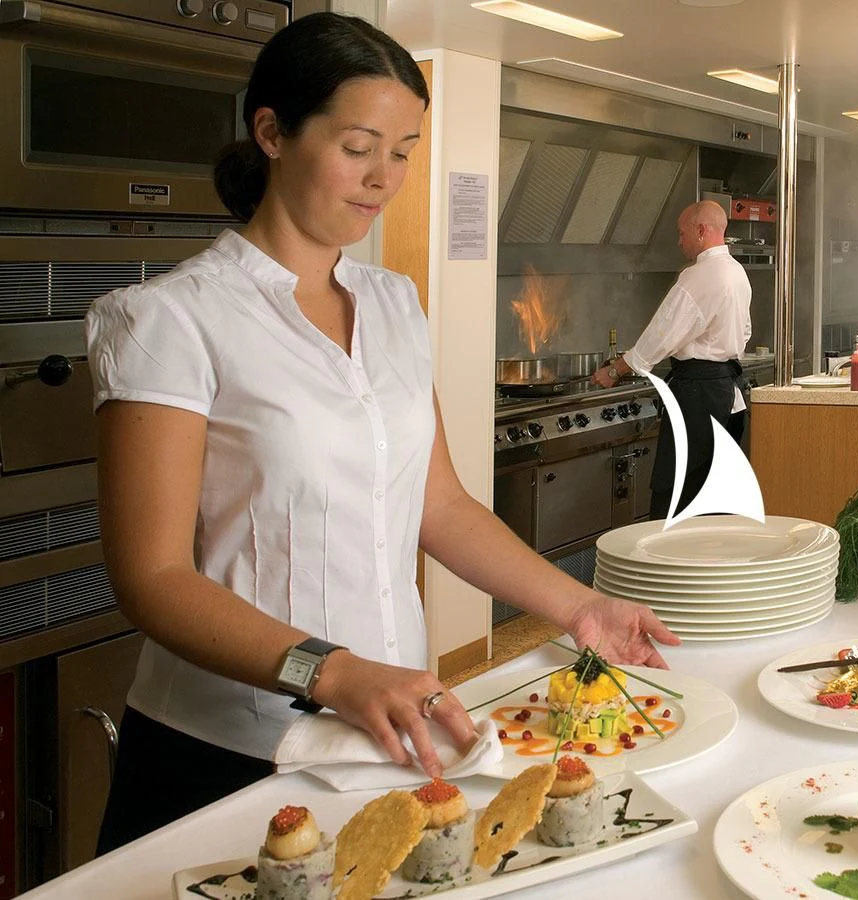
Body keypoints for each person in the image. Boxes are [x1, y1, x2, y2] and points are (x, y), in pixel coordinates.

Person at [85, 12, 678, 852]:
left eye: (403, 150)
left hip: (385, 735)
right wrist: (332, 672)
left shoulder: (393, 303)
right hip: (225, 752)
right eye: (360, 146)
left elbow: (439, 504)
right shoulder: (167, 320)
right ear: (272, 133)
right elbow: (151, 578)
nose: (384, 177)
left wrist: (578, 606)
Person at [590, 200, 752, 519]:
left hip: (698, 396)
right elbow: (744, 331)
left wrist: (615, 370)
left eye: (682, 233)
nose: (679, 242)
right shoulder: (736, 272)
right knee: (711, 492)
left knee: (677, 493)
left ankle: (669, 564)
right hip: (728, 394)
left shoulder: (699, 276)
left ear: (701, 231)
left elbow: (660, 337)